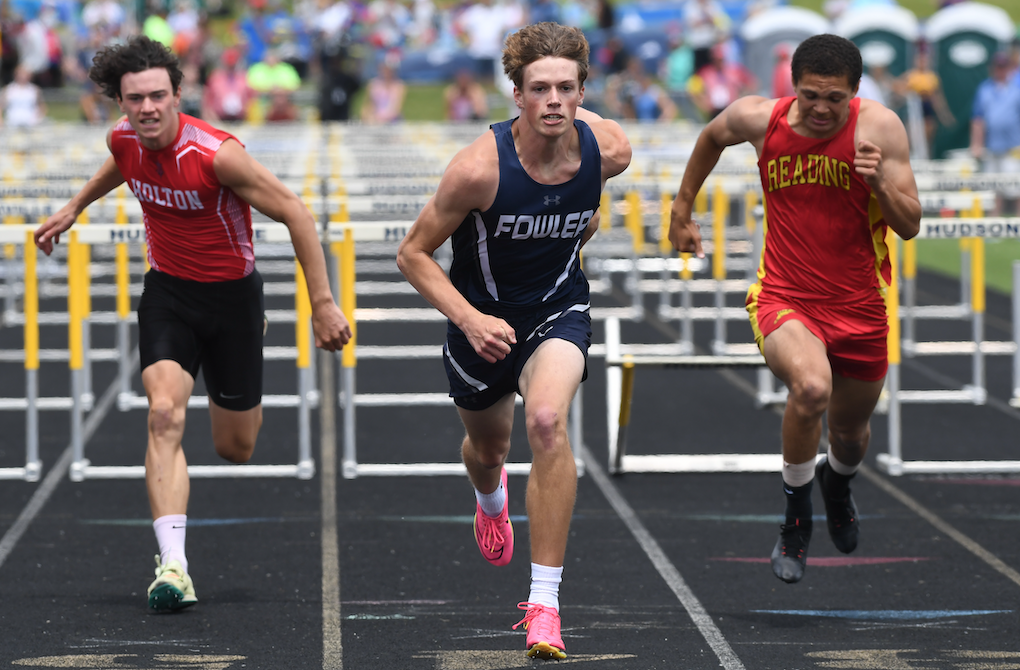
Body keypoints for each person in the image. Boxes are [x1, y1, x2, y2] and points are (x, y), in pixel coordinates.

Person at [33, 35, 352, 612]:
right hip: (169, 293)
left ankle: (239, 371)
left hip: (233, 301)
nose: (148, 108)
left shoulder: (215, 154)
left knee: (236, 448)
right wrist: (74, 206)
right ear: (121, 102)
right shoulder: (124, 138)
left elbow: (296, 212)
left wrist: (323, 303)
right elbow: (120, 161)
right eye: (135, 99)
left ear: (178, 94)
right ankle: (173, 565)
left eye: (158, 95)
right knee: (162, 414)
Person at [396, 22, 631, 659]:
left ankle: (545, 605)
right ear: (518, 97)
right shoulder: (477, 169)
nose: (553, 101)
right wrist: (471, 319)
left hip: (558, 309)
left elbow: (586, 214)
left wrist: (563, 248)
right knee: (487, 448)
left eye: (566, 87)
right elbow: (413, 254)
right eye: (539, 89)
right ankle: (488, 499)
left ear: (583, 91)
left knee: (549, 421)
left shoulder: (609, 149)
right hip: (482, 321)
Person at [669, 33, 921, 585]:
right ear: (793, 87)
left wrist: (880, 181)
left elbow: (909, 225)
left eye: (835, 98)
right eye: (811, 96)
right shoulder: (761, 119)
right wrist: (681, 208)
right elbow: (712, 136)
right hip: (784, 295)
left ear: (855, 93)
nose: (823, 109)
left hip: (860, 305)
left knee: (850, 436)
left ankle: (838, 483)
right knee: (810, 389)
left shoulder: (879, 129)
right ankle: (795, 519)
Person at [970, 51, 1020, 215]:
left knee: (1016, 186)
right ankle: (993, 223)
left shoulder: (1016, 88)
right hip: (991, 146)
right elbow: (978, 119)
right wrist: (976, 144)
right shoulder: (984, 89)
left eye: (1004, 66)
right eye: (998, 67)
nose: (1000, 70)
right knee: (993, 188)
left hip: (1014, 145)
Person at [897, 45, 953, 159]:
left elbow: (938, 99)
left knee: (927, 141)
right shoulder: (910, 75)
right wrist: (908, 94)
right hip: (913, 110)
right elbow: (897, 88)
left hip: (927, 110)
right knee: (911, 138)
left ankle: (925, 159)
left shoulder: (932, 77)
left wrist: (945, 116)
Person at [360, 57, 405, 124]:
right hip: (374, 120)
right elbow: (368, 105)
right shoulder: (373, 84)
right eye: (385, 68)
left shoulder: (399, 86)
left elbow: (396, 109)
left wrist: (381, 119)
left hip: (392, 121)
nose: (387, 71)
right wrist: (366, 116)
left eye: (389, 69)